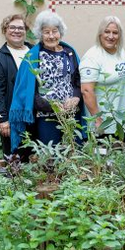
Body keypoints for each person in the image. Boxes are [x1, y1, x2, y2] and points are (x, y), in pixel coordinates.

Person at [9, 11, 81, 151]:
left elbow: (78, 80)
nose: (51, 36)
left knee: (74, 152)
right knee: (50, 155)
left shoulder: (69, 52)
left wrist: (76, 97)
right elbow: (29, 90)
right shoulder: (33, 56)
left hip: (71, 114)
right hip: (47, 116)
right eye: (46, 32)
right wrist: (51, 106)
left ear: (60, 32)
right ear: (40, 34)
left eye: (55, 31)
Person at [80, 16, 125, 137]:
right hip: (103, 127)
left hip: (120, 123)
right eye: (107, 31)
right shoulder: (92, 56)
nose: (111, 36)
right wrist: (98, 121)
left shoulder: (120, 52)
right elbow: (86, 91)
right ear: (100, 34)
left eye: (115, 33)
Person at [0, 14, 32, 156]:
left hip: (34, 117)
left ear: (26, 31)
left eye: (20, 28)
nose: (16, 31)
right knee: (14, 159)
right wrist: (2, 119)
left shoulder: (34, 52)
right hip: (12, 120)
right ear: (5, 30)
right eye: (12, 27)